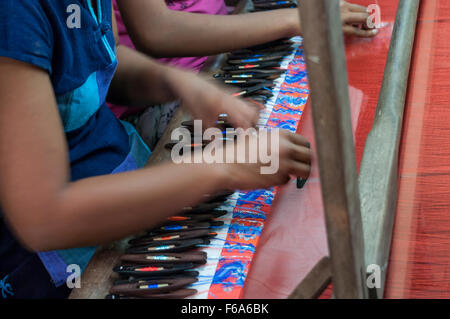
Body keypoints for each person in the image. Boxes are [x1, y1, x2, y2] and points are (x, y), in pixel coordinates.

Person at [0, 0, 311, 298]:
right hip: (53, 266)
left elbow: (104, 56)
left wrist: (173, 81)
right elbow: (44, 219)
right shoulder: (13, 16)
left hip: (123, 181)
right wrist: (222, 166)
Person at [112, 0, 378, 147]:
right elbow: (158, 31)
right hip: (166, 94)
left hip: (223, 48)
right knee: (286, 143)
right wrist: (296, 20)